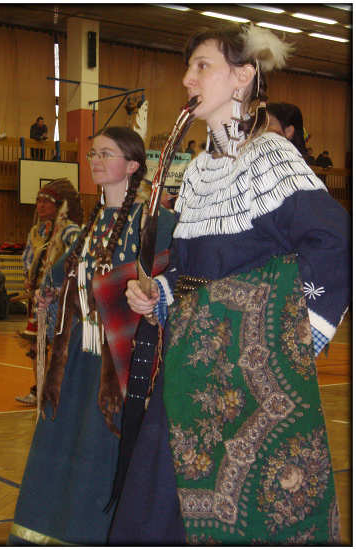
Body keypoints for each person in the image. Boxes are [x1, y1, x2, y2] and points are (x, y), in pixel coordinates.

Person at [113, 25, 350, 545]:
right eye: (188, 67)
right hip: (190, 380)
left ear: (242, 77)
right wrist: (161, 294)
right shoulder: (197, 172)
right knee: (158, 514)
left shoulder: (271, 158)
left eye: (201, 66)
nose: (186, 78)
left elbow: (336, 243)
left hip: (248, 390)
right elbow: (193, 274)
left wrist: (294, 337)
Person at [8, 127, 176, 545]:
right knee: (65, 451)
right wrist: (52, 296)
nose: (96, 160)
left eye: (107, 153)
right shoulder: (91, 227)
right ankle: (55, 531)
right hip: (78, 367)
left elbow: (176, 282)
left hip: (120, 367)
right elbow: (64, 278)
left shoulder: (153, 223)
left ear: (133, 165)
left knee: (105, 456)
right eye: (92, 154)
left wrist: (153, 295)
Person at [15, 178, 82, 406]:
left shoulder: (69, 230)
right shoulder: (37, 231)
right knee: (36, 345)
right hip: (38, 299)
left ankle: (60, 390)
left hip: (59, 299)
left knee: (60, 344)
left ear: (58, 205)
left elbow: (78, 256)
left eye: (46, 202)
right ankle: (39, 389)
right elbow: (28, 259)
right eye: (38, 201)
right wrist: (29, 280)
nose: (40, 206)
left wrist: (60, 284)